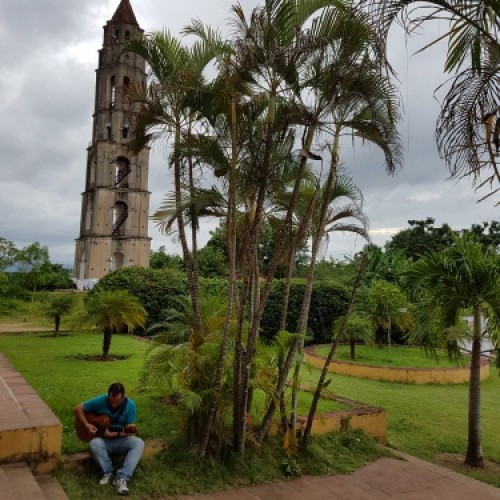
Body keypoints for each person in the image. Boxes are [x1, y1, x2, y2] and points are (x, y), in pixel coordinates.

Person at [74, 382, 144, 496]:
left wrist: (118, 434)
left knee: (138, 443)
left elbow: (128, 429)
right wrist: (87, 425)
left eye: (117, 403)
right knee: (93, 444)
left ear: (123, 396)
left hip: (121, 440)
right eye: (111, 402)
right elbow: (77, 408)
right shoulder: (101, 400)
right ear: (108, 395)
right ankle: (108, 471)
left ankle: (122, 478)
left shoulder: (130, 405)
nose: (113, 405)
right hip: (103, 441)